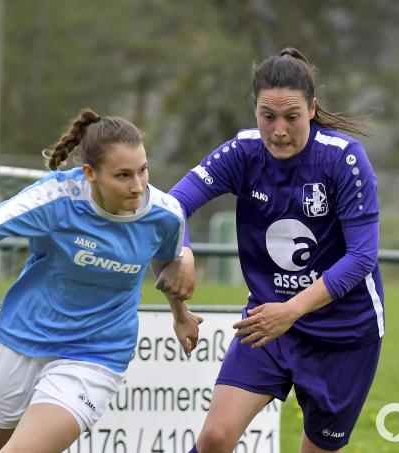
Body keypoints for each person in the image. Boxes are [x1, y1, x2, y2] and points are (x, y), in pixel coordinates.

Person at [0, 108, 202, 453]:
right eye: (123, 175)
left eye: (143, 170)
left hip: (97, 353)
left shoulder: (165, 214)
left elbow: (165, 265)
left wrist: (180, 315)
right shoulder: (55, 199)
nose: (137, 186)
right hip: (24, 337)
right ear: (90, 173)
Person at [156, 48, 384, 453]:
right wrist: (184, 252)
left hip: (344, 333)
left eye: (291, 117)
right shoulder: (242, 153)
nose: (279, 130)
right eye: (268, 116)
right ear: (255, 111)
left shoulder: (343, 159)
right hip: (268, 323)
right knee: (214, 437)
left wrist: (291, 310)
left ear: (312, 109)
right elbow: (172, 206)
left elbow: (361, 257)